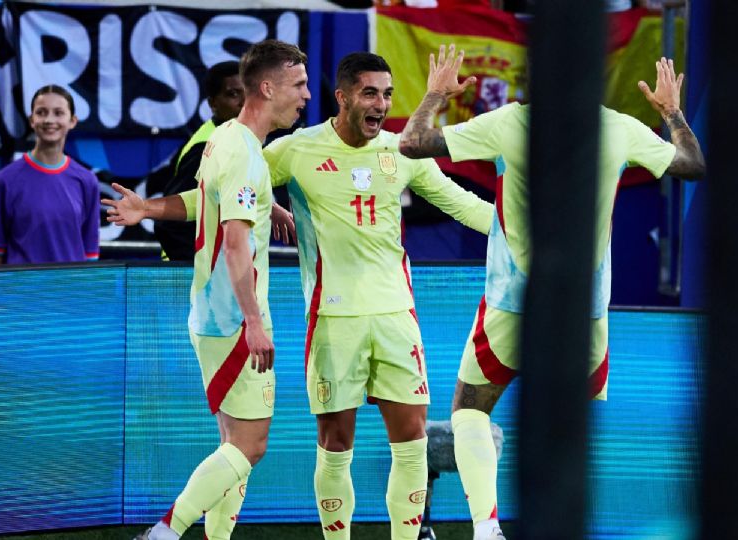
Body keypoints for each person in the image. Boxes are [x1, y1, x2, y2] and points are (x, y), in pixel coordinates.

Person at [399, 45, 706, 540]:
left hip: (513, 302)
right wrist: (671, 111)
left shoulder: (509, 123)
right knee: (576, 424)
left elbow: (412, 143)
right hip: (584, 310)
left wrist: (436, 94)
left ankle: (485, 528)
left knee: (470, 411)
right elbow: (692, 164)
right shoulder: (619, 127)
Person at [261, 51, 494, 539]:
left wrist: (529, 229)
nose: (382, 104)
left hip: (396, 318)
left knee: (410, 441)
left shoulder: (401, 152)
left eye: (388, 94)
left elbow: (463, 204)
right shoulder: (296, 150)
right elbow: (233, 184)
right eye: (370, 93)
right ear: (342, 96)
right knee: (335, 441)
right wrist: (157, 207)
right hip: (333, 319)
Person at [104, 39, 311, 540]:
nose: (306, 95)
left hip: (212, 315)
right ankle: (164, 532)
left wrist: (148, 208)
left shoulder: (226, 138)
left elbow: (209, 198)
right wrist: (256, 324)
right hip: (237, 322)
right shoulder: (241, 151)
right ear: (267, 87)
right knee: (251, 446)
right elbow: (237, 244)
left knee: (232, 444)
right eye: (298, 85)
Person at [0, 85, 100, 265]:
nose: (49, 119)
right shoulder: (6, 179)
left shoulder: (87, 181)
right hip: (22, 290)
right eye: (41, 112)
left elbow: (90, 254)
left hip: (71, 290)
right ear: (31, 120)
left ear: (72, 121)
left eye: (58, 113)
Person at [155, 61, 245, 262]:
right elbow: (169, 222)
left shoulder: (237, 139)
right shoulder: (207, 148)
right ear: (213, 103)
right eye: (233, 94)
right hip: (189, 279)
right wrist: (202, 273)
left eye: (248, 92)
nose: (244, 102)